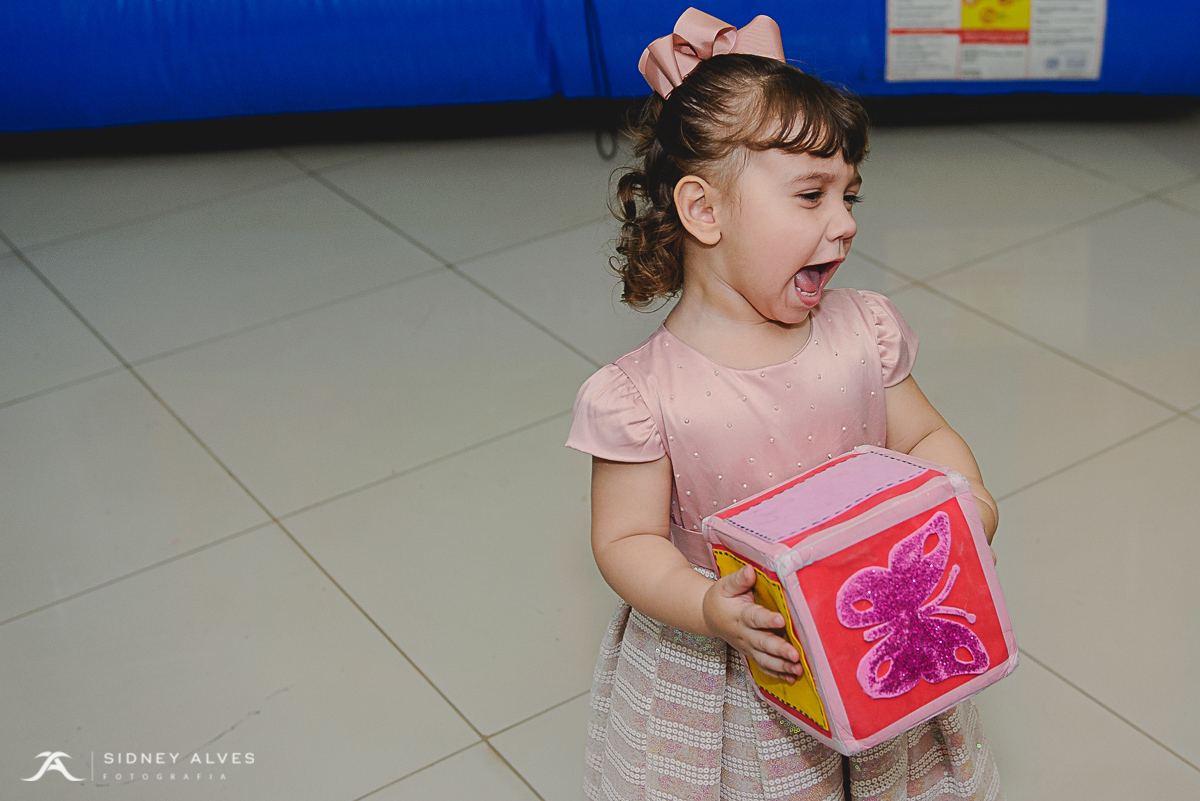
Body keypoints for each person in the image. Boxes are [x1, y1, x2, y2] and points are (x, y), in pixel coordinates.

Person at [565, 8, 1004, 801]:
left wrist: (961, 498)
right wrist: (706, 604)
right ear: (704, 211)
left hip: (872, 635)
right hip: (739, 673)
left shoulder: (861, 331)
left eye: (849, 196)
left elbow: (928, 431)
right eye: (811, 195)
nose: (843, 224)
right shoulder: (642, 396)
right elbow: (624, 538)